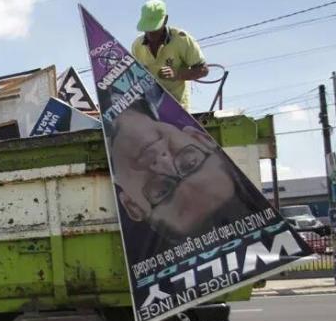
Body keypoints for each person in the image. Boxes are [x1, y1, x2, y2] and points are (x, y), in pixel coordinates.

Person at [107, 98, 252, 242]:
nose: (164, 162)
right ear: (200, 138)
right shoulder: (158, 92)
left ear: (132, 206)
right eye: (190, 163)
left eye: (162, 191)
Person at [131, 0, 208, 110]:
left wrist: (177, 74)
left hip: (177, 109)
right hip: (150, 111)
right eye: (147, 29)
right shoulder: (137, 45)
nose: (150, 33)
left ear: (165, 20)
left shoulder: (182, 39)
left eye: (155, 28)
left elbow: (203, 70)